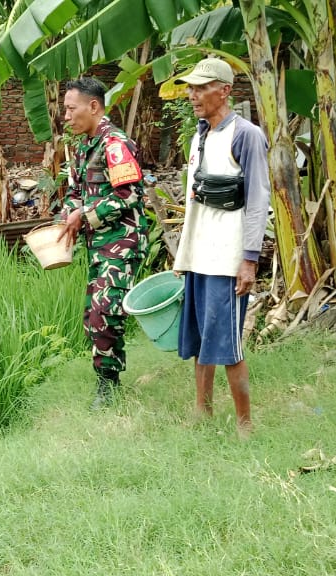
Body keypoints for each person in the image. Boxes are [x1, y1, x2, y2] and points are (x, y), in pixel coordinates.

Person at [170, 58, 271, 437]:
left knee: (228, 344)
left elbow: (258, 201)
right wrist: (184, 253)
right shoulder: (200, 135)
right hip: (199, 253)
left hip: (227, 258)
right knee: (199, 337)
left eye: (201, 87)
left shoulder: (246, 135)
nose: (192, 95)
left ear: (225, 90)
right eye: (190, 88)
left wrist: (249, 260)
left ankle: (245, 426)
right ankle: (202, 411)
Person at [55, 77, 149, 410]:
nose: (66, 116)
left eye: (71, 108)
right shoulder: (83, 146)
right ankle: (107, 380)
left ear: (93, 106)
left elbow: (130, 194)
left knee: (104, 312)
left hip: (123, 240)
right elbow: (75, 192)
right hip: (99, 243)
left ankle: (108, 386)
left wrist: (86, 214)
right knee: (93, 313)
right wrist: (70, 214)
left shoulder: (114, 144)